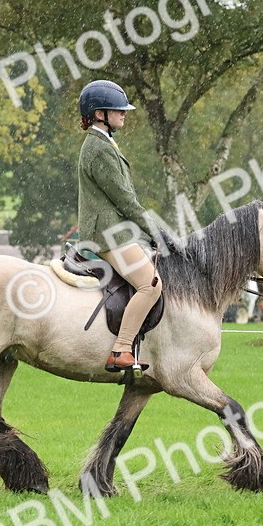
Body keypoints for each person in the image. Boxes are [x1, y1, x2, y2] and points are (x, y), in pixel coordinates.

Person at [77, 79, 163, 373]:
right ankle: (121, 349)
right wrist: (155, 231)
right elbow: (125, 199)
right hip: (107, 234)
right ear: (100, 113)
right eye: (119, 110)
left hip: (115, 230)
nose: (124, 114)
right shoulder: (98, 149)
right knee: (150, 285)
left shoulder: (104, 143)